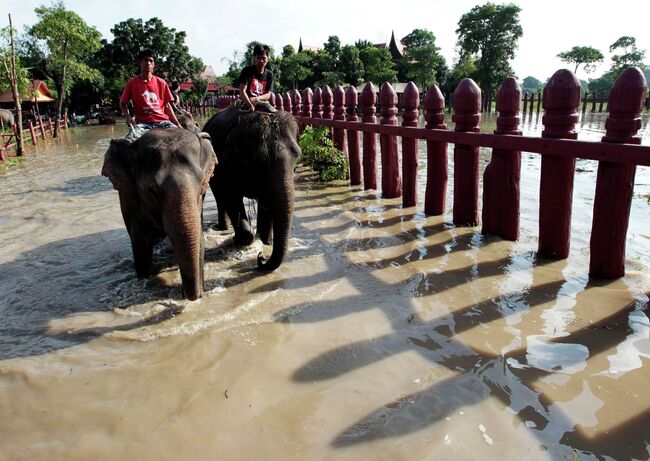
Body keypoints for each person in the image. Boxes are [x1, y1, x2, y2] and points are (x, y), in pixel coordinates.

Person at [120, 49, 181, 140]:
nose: (148, 63)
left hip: (163, 122)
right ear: (140, 63)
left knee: (182, 138)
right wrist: (128, 117)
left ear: (154, 65)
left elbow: (167, 105)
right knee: (129, 140)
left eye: (151, 61)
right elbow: (123, 103)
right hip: (143, 124)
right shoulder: (132, 83)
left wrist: (177, 124)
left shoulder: (162, 82)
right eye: (145, 60)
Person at [238, 44, 275, 112]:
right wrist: (250, 105)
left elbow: (268, 94)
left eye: (263, 58)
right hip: (246, 102)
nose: (261, 60)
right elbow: (242, 91)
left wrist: (256, 98)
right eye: (258, 58)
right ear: (254, 58)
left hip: (261, 103)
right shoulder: (247, 71)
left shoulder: (269, 74)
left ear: (267, 59)